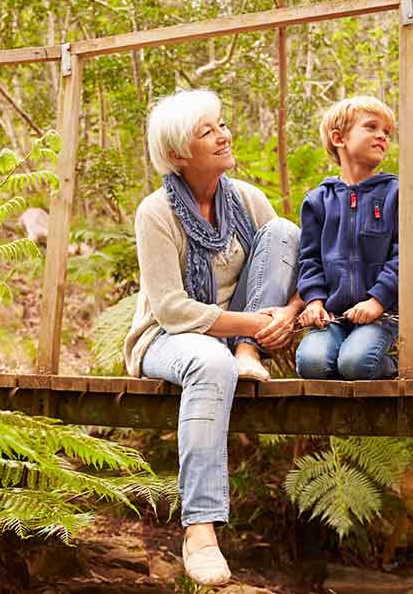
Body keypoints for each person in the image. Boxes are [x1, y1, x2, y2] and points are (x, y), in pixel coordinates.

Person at [123, 89, 303, 586]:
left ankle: (246, 355)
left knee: (285, 230)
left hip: (240, 337)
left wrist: (288, 313)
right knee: (209, 362)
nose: (224, 135)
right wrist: (254, 323)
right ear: (179, 153)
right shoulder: (156, 212)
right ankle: (199, 529)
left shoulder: (247, 199)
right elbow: (172, 308)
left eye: (221, 124)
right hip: (169, 337)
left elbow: (293, 266)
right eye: (208, 131)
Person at [295, 96, 401, 380]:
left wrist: (377, 300)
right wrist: (314, 302)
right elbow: (309, 259)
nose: (382, 136)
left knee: (356, 364)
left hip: (382, 314)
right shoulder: (318, 201)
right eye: (371, 127)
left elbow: (404, 255)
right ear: (339, 138)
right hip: (334, 317)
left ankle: (398, 367)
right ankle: (344, 357)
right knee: (311, 363)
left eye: (387, 132)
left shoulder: (396, 193)